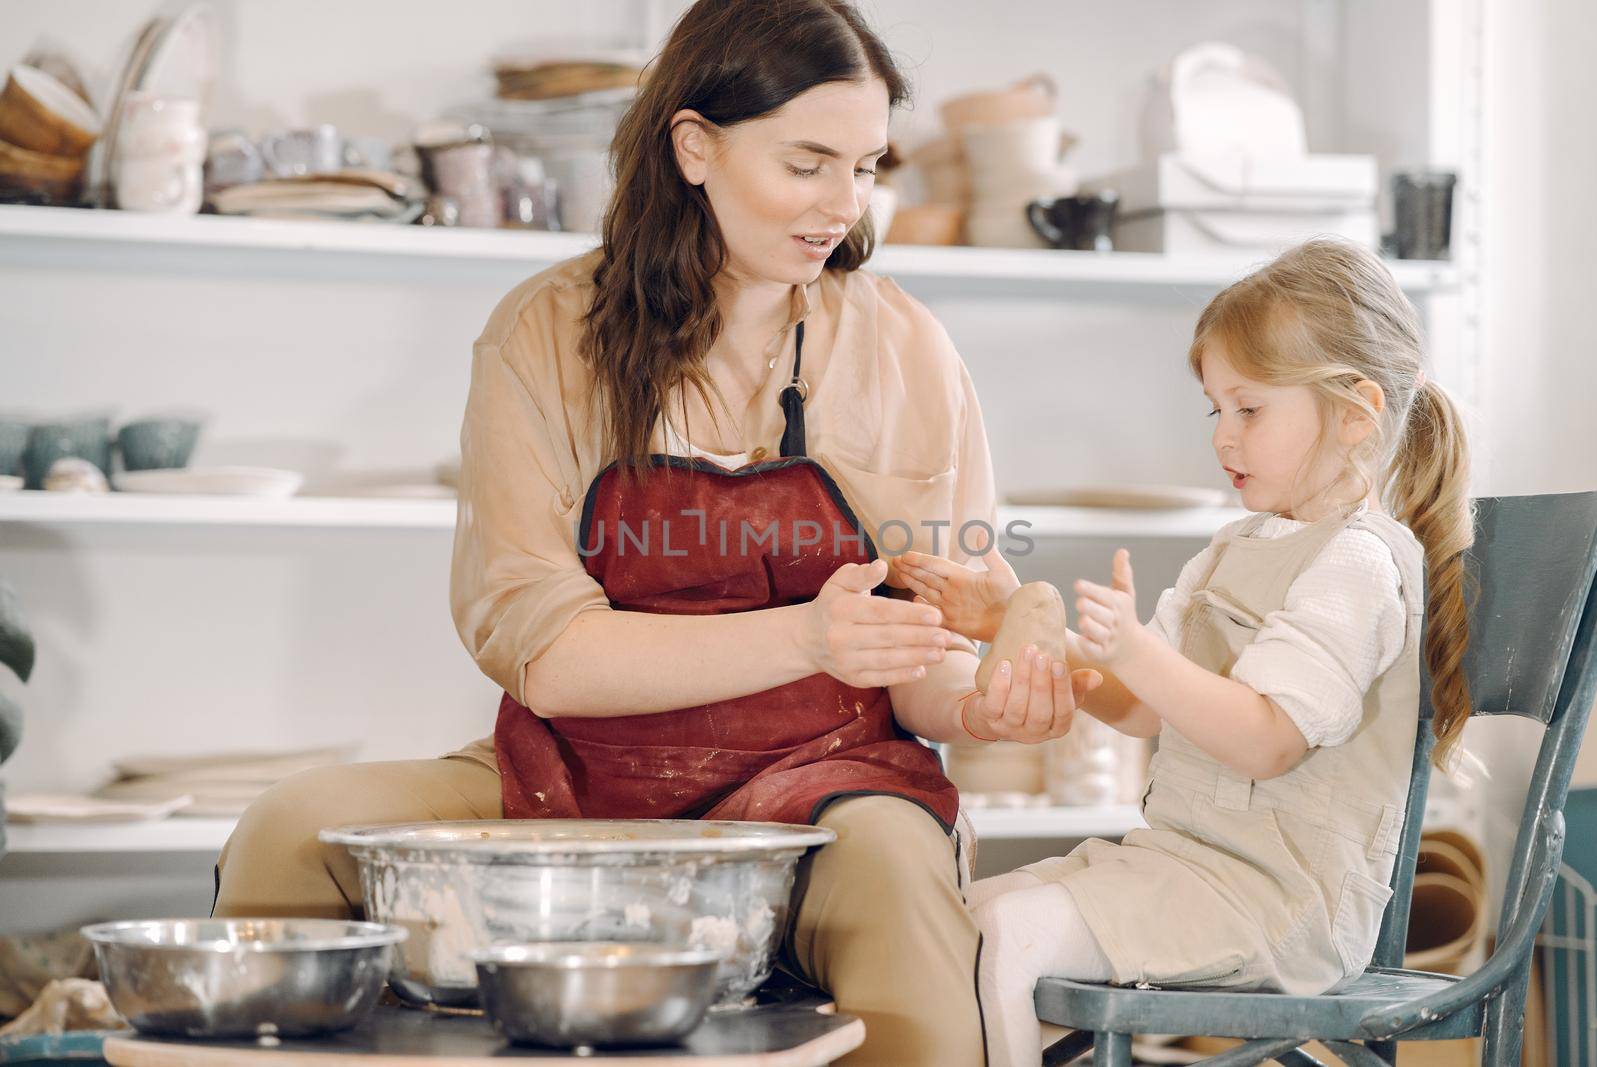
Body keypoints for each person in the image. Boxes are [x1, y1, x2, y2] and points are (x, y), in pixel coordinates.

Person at [213, 2, 1098, 1061]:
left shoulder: (906, 349)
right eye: (806, 163)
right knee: (291, 827)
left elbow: (921, 666)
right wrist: (806, 638)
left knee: (898, 873)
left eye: (864, 167)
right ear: (694, 146)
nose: (841, 205)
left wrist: (988, 703)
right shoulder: (545, 334)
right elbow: (548, 657)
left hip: (830, 793)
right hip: (576, 779)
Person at [896, 238, 1475, 1065]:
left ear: (1354, 414)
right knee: (961, 913)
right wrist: (1008, 623)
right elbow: (1138, 705)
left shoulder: (1359, 563)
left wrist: (1135, 651)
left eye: (1250, 409)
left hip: (1276, 903)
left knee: (1004, 931)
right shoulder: (1232, 547)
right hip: (1184, 868)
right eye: (1216, 410)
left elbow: (1268, 738)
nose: (1223, 437)